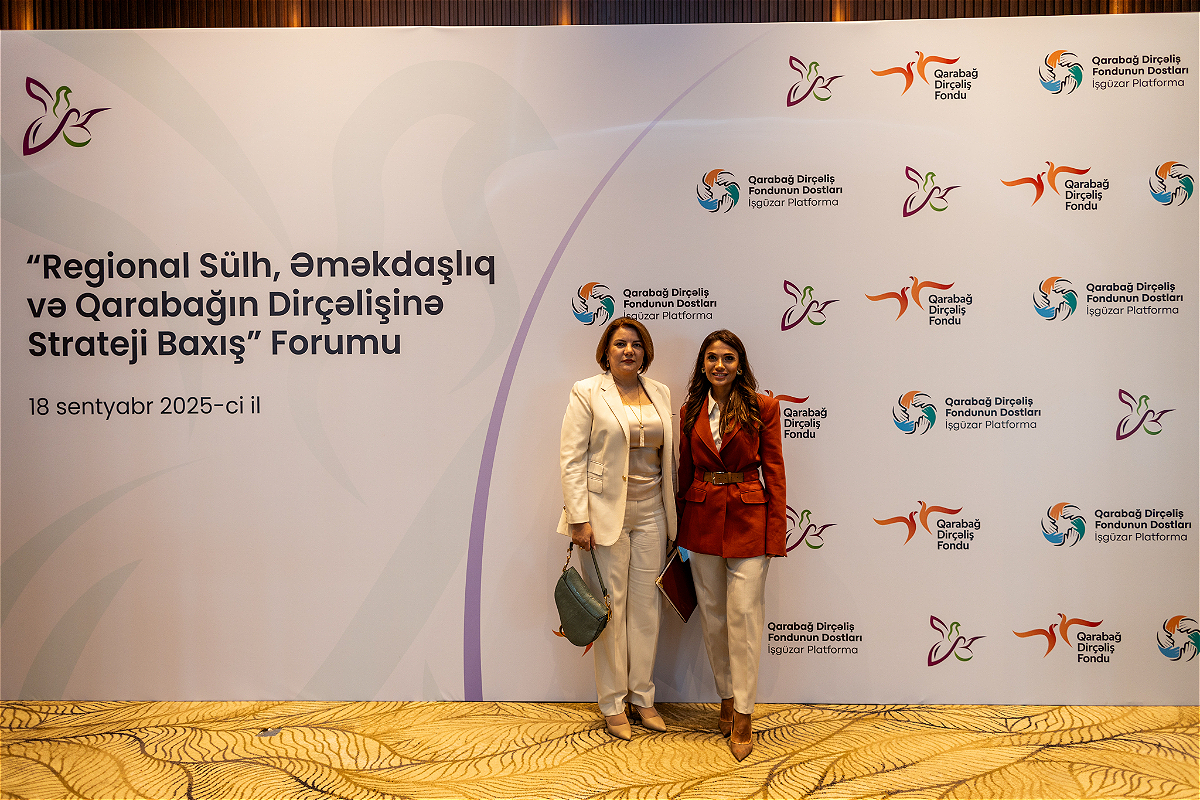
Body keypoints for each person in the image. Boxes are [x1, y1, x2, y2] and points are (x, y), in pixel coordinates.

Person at [558, 316, 677, 740]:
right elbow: (572, 457)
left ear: (646, 352)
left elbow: (668, 458)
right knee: (612, 611)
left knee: (646, 611)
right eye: (620, 344)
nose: (629, 351)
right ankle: (612, 703)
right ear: (606, 352)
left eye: (636, 344)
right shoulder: (587, 391)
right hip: (604, 517)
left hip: (653, 513)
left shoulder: (660, 391)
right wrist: (579, 517)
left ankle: (642, 696)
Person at [676, 329, 786, 761]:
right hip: (701, 520)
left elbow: (775, 473)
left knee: (744, 617)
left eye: (728, 358)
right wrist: (679, 529)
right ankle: (725, 695)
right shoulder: (689, 410)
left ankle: (743, 712)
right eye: (711, 358)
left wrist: (775, 533)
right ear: (702, 364)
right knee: (714, 618)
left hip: (749, 521)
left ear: (740, 365)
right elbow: (685, 472)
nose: (719, 365)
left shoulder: (764, 407)